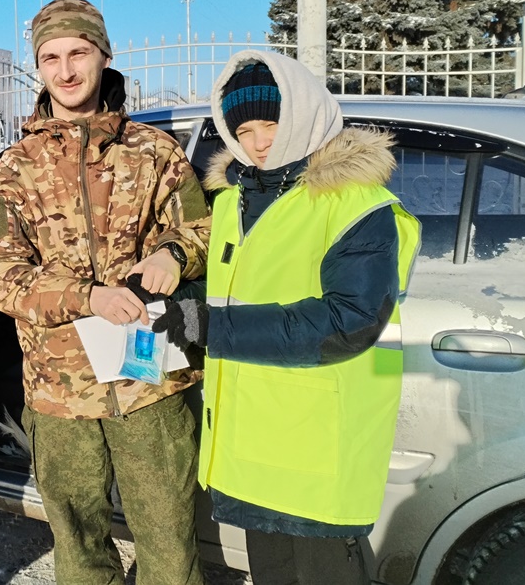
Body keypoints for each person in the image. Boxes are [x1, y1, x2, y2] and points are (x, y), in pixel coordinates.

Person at [152, 50, 421, 585]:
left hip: (319, 444)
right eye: (243, 128)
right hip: (253, 442)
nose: (257, 141)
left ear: (303, 113)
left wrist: (208, 328)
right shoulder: (234, 202)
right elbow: (242, 288)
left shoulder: (356, 203)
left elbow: (350, 320)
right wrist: (179, 301)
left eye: (271, 123)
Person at [0, 0, 211, 585]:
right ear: (39, 67)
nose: (66, 69)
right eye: (51, 57)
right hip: (59, 388)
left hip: (150, 375)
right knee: (77, 544)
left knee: (169, 542)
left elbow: (204, 228)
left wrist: (175, 254)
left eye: (79, 52)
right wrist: (86, 297)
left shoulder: (155, 153)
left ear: (104, 56)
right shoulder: (13, 170)